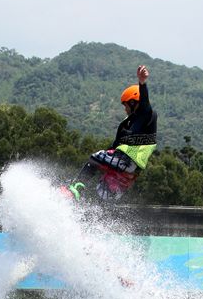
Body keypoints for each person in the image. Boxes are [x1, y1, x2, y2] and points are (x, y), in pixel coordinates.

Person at [66, 65, 158, 202]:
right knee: (104, 195)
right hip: (129, 169)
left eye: (126, 105)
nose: (125, 109)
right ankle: (90, 216)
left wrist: (142, 83)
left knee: (95, 158)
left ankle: (75, 188)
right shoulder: (126, 124)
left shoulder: (147, 116)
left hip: (127, 160)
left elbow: (144, 103)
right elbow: (114, 145)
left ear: (133, 102)